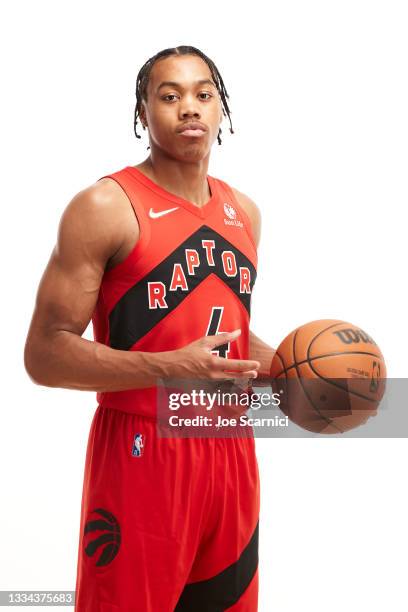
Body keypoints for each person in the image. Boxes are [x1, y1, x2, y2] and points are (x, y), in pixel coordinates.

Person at [24, 45, 276, 611]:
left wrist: (297, 371)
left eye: (202, 94)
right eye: (170, 95)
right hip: (143, 449)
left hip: (230, 447)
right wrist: (167, 367)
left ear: (221, 110)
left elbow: (230, 337)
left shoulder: (245, 212)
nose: (189, 108)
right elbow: (44, 355)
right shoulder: (105, 206)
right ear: (143, 112)